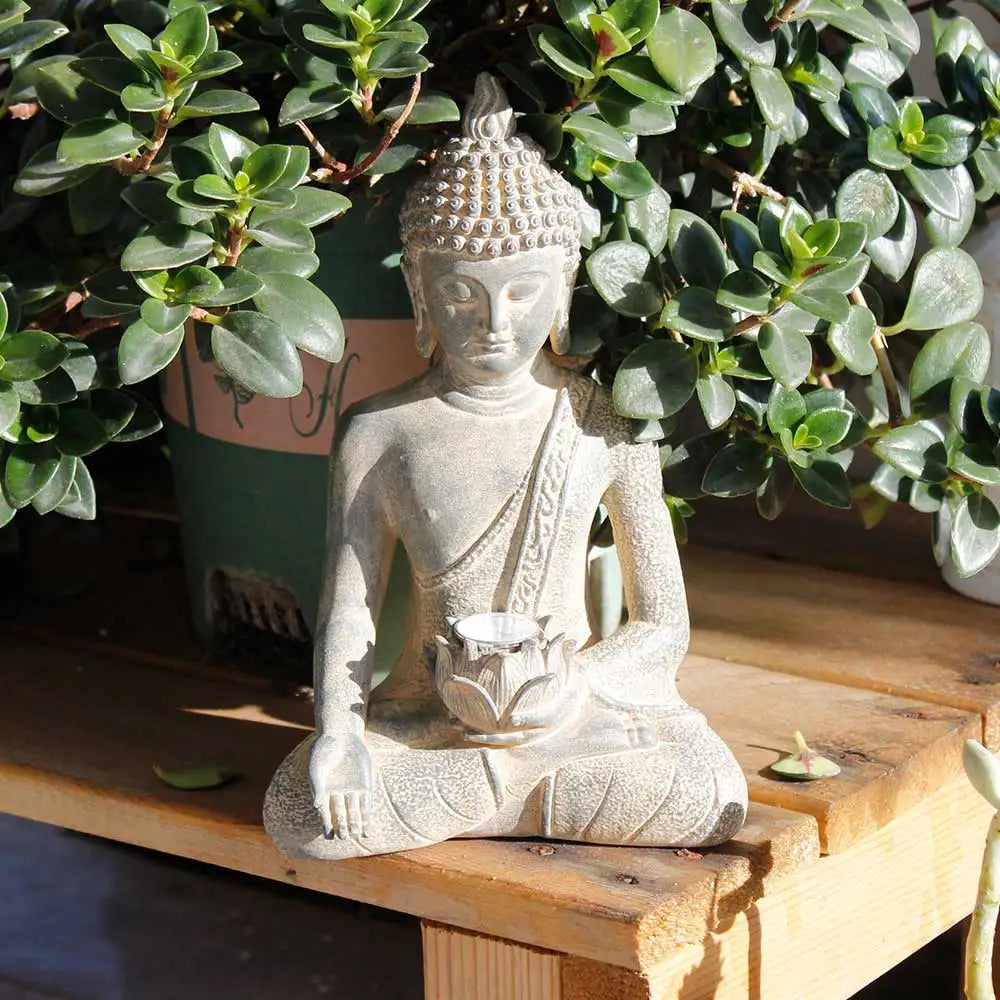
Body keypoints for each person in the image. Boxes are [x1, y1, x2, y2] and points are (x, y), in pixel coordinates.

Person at [264, 75, 747, 859]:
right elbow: (349, 609)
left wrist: (570, 692)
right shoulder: (380, 431)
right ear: (419, 296)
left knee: (708, 791)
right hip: (433, 718)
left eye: (524, 292)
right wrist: (340, 734)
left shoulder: (603, 420)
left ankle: (500, 788)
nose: (494, 322)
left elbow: (662, 622)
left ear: (563, 293)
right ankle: (521, 791)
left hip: (575, 713)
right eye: (460, 291)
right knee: (301, 812)